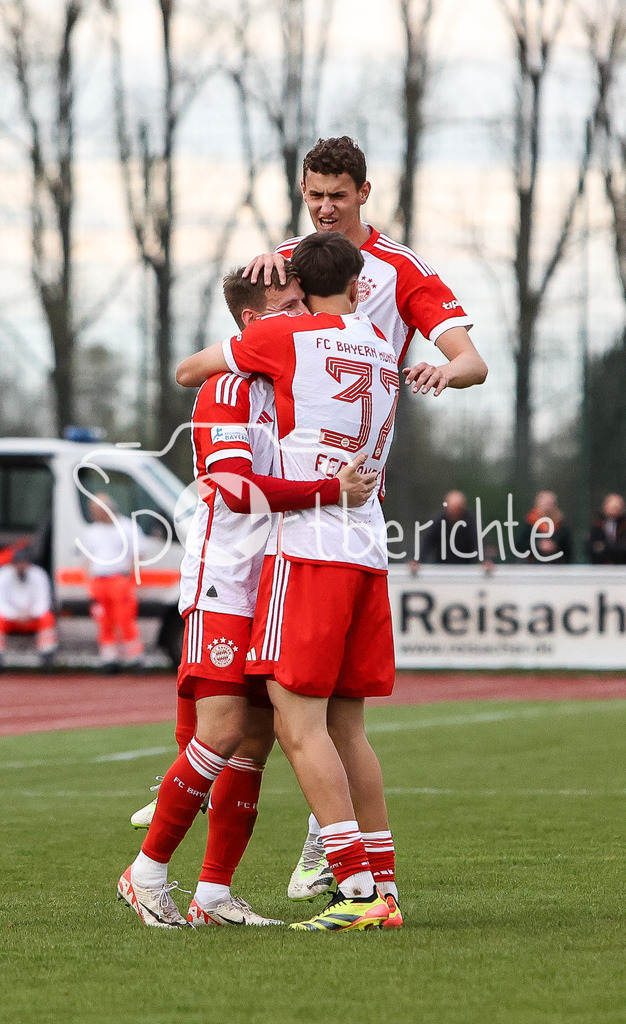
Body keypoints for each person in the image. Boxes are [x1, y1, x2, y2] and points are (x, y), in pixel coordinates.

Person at [182, 135, 487, 901]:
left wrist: (444, 368)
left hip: (313, 519)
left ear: (364, 193)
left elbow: (472, 361)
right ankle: (362, 878)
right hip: (351, 523)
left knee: (290, 714)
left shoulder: (390, 275)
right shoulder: (314, 287)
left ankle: (332, 864)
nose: (323, 207)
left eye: (336, 195)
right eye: (313, 194)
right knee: (323, 721)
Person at [117, 261, 376, 929]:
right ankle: (146, 873)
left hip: (274, 581)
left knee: (254, 741)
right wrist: (330, 491)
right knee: (223, 730)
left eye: (303, 303)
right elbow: (233, 489)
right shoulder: (227, 388)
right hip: (224, 579)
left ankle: (212, 895)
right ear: (253, 324)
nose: (303, 317)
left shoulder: (293, 382)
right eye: (289, 307)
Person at [176, 231, 414, 931]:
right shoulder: (384, 345)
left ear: (302, 293)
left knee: (296, 721)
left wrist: (268, 315)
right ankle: (384, 886)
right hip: (369, 547)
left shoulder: (288, 337)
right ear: (360, 284)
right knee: (349, 728)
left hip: (311, 548)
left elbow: (192, 370)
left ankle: (355, 890)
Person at [81, 493, 145, 673]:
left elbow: (138, 555)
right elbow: (86, 561)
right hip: (98, 582)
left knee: (125, 619)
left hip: (119, 580)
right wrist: (88, 586)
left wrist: (131, 580)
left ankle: (134, 658)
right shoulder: (92, 531)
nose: (94, 514)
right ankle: (110, 659)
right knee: (104, 622)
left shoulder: (127, 527)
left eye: (97, 510)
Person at [0, 548, 57, 672]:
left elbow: (44, 602)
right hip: (10, 619)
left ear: (29, 563)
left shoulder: (39, 574)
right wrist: (16, 615)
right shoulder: (1, 575)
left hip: (32, 618)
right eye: (18, 563)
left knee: (47, 618)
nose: (21, 566)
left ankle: (47, 659)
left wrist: (30, 614)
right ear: (12, 564)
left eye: (24, 563)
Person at [420, 490, 479, 564]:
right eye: (452, 509)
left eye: (457, 509)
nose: (454, 513)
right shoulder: (438, 521)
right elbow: (427, 542)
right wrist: (417, 559)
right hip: (441, 565)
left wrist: (484, 560)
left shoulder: (470, 522)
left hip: (466, 566)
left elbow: (477, 542)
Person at [516, 491, 573, 564]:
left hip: (556, 567)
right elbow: (519, 546)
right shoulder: (530, 523)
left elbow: (568, 552)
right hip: (532, 566)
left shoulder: (561, 526)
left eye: (550, 504)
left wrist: (553, 546)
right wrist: (538, 544)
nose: (548, 507)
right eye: (545, 504)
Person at [587, 493, 626, 564]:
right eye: (612, 507)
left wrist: (604, 547)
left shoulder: (623, 526)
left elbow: (623, 549)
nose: (614, 510)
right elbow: (591, 548)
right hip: (600, 567)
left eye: (617, 507)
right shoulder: (597, 524)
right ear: (605, 507)